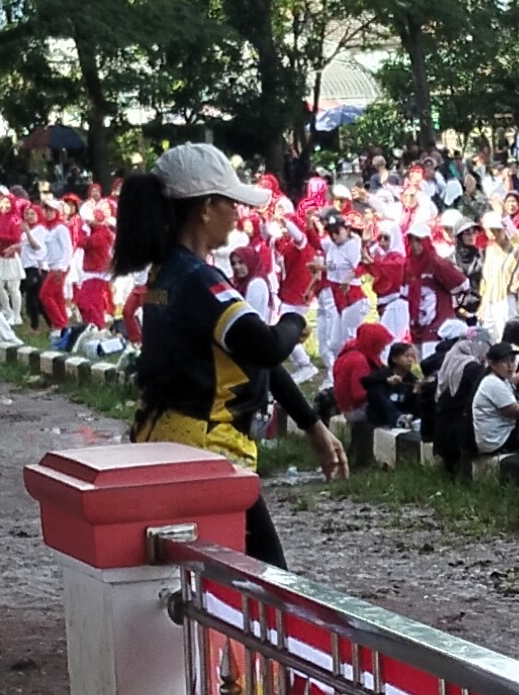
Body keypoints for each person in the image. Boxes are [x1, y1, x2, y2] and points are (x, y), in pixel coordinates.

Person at [116, 144, 347, 560]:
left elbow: (252, 357)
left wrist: (312, 425)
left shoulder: (166, 272)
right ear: (205, 208)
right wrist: (295, 320)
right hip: (207, 454)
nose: (238, 213)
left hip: (165, 443)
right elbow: (265, 344)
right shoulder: (198, 279)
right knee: (267, 583)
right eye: (231, 202)